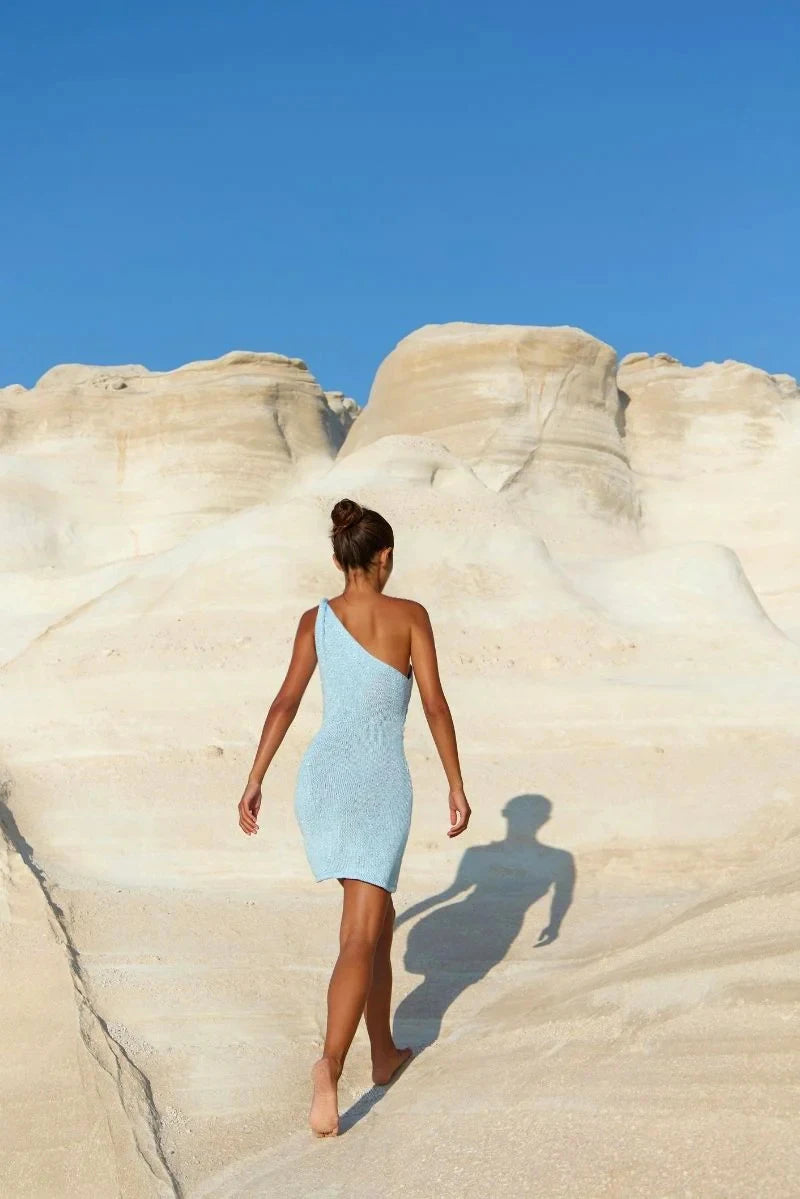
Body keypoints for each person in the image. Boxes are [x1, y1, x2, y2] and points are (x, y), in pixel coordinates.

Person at [237, 497, 471, 1136]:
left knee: (380, 921)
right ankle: (329, 1067)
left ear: (342, 555)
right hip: (376, 784)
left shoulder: (315, 620)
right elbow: (435, 706)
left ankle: (384, 1052)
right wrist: (455, 783)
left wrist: (255, 779)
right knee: (359, 937)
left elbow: (285, 702)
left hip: (322, 780)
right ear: (385, 557)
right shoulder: (410, 616)